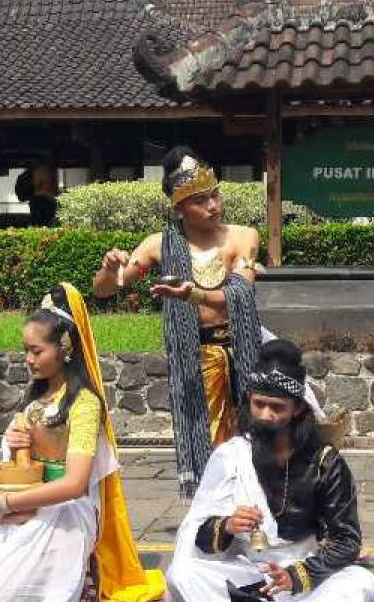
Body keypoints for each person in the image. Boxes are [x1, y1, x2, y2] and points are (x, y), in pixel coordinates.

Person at [0, 283, 164, 602]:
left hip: (65, 510)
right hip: (25, 503)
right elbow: (19, 461)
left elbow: (75, 484)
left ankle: (78, 570)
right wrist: (11, 442)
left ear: (64, 349)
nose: (28, 359)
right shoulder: (35, 399)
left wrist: (6, 502)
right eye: (25, 351)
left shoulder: (83, 404)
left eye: (36, 351)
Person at [165, 339, 374, 602]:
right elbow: (196, 535)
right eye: (258, 404)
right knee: (184, 573)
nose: (265, 415)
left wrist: (296, 576)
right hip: (245, 570)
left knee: (364, 586)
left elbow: (346, 540)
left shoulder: (326, 461)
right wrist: (226, 526)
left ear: (298, 409)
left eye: (277, 407)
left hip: (303, 570)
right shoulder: (230, 456)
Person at [92, 146, 262, 498]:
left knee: (257, 434)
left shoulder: (243, 237)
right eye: (201, 200)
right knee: (209, 439)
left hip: (243, 348)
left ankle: (254, 503)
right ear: (179, 208)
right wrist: (109, 269)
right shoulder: (159, 246)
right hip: (195, 358)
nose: (213, 205)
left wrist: (191, 295)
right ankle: (214, 509)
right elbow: (109, 289)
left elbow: (239, 294)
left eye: (215, 195)